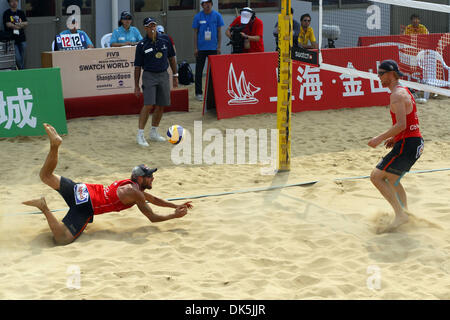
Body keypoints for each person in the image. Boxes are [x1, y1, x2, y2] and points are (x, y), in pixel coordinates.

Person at [22, 123, 193, 245]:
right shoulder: (136, 193)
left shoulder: (129, 185)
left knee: (45, 175)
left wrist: (175, 205)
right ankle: (44, 207)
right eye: (149, 176)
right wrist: (174, 216)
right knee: (61, 239)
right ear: (140, 179)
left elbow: (154, 199)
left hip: (81, 189)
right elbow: (152, 217)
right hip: (86, 205)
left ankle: (55, 145)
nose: (152, 178)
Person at [368, 60, 424, 233]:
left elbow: (401, 124)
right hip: (413, 142)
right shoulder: (403, 91)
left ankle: (400, 215)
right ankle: (404, 212)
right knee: (392, 179)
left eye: (381, 73)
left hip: (408, 143)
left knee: (376, 177)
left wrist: (380, 138)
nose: (379, 76)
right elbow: (409, 121)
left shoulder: (397, 95)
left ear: (392, 74)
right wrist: (395, 137)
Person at [134, 17, 178, 147]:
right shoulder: (142, 45)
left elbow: (172, 58)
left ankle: (154, 131)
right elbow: (137, 67)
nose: (152, 28)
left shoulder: (165, 39)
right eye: (149, 26)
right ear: (145, 28)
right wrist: (136, 86)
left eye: (154, 25)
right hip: (149, 75)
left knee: (161, 104)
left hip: (163, 74)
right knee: (148, 104)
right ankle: (140, 134)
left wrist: (175, 75)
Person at [192, 0, 224, 101]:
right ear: (202, 5)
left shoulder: (217, 15)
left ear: (211, 4)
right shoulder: (198, 16)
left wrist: (219, 47)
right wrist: (196, 48)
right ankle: (198, 93)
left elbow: (219, 32)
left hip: (213, 48)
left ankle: (215, 92)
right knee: (199, 71)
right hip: (201, 48)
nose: (208, 5)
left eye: (209, 3)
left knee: (214, 71)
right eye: (205, 3)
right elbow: (195, 33)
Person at [2, 0, 28, 69]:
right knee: (17, 58)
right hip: (12, 39)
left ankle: (21, 70)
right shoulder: (7, 13)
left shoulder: (21, 12)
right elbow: (7, 24)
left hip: (22, 38)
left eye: (16, 1)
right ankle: (21, 69)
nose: (14, 3)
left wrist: (16, 25)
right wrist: (18, 25)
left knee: (23, 56)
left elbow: (26, 23)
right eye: (12, 1)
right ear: (9, 3)